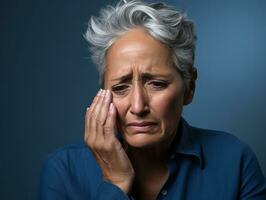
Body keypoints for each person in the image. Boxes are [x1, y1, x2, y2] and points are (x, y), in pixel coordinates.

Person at [39, 1, 266, 199]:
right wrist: (116, 183)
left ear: (190, 86)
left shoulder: (235, 161)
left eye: (156, 84)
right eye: (120, 87)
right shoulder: (63, 170)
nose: (137, 107)